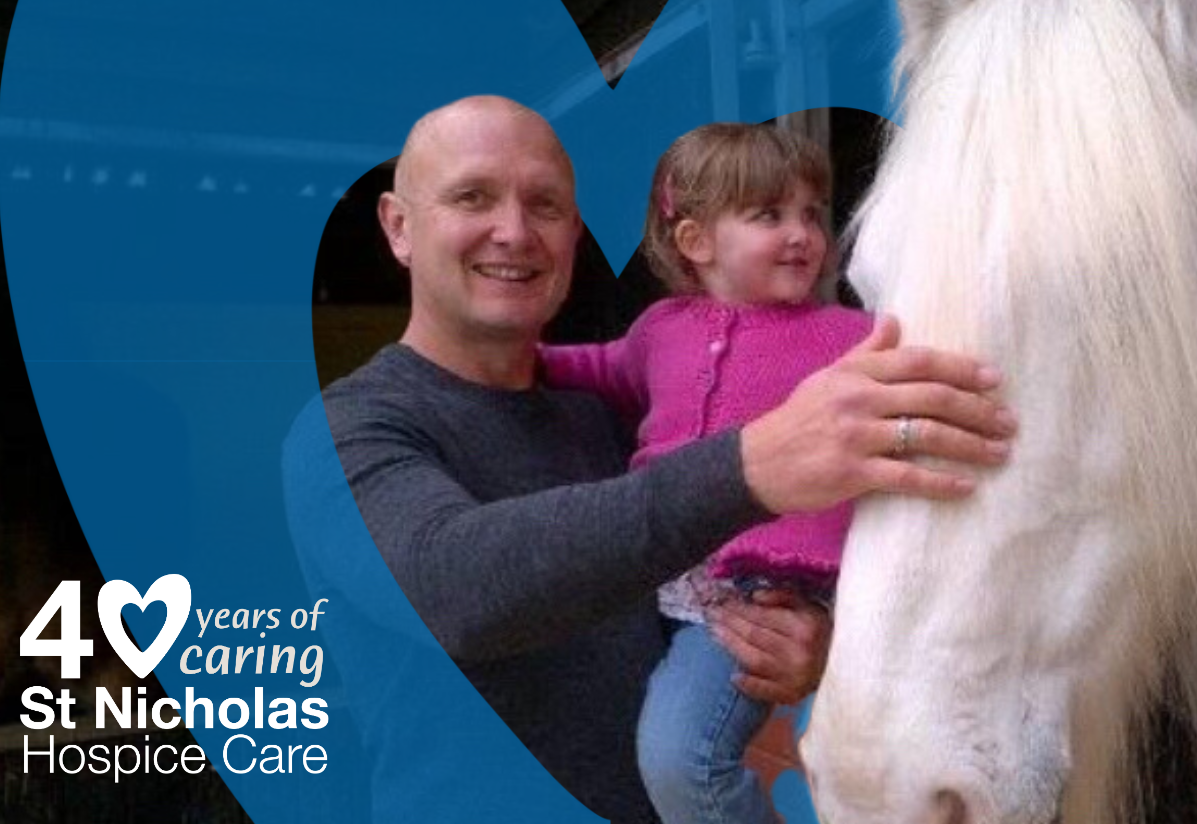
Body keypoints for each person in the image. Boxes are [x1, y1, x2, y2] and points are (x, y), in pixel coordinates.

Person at [311, 95, 1015, 823]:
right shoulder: (351, 427)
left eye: (546, 206)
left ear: (574, 235)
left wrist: (810, 645)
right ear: (399, 226)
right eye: (472, 197)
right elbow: (453, 590)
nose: (514, 231)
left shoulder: (615, 408)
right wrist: (748, 467)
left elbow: (680, 593)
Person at [539, 122, 871, 824]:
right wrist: (526, 362)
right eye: (768, 215)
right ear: (696, 241)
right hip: (664, 582)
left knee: (682, 761)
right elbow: (603, 366)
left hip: (757, 596)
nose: (801, 234)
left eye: (812, 213)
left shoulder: (847, 335)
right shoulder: (662, 328)